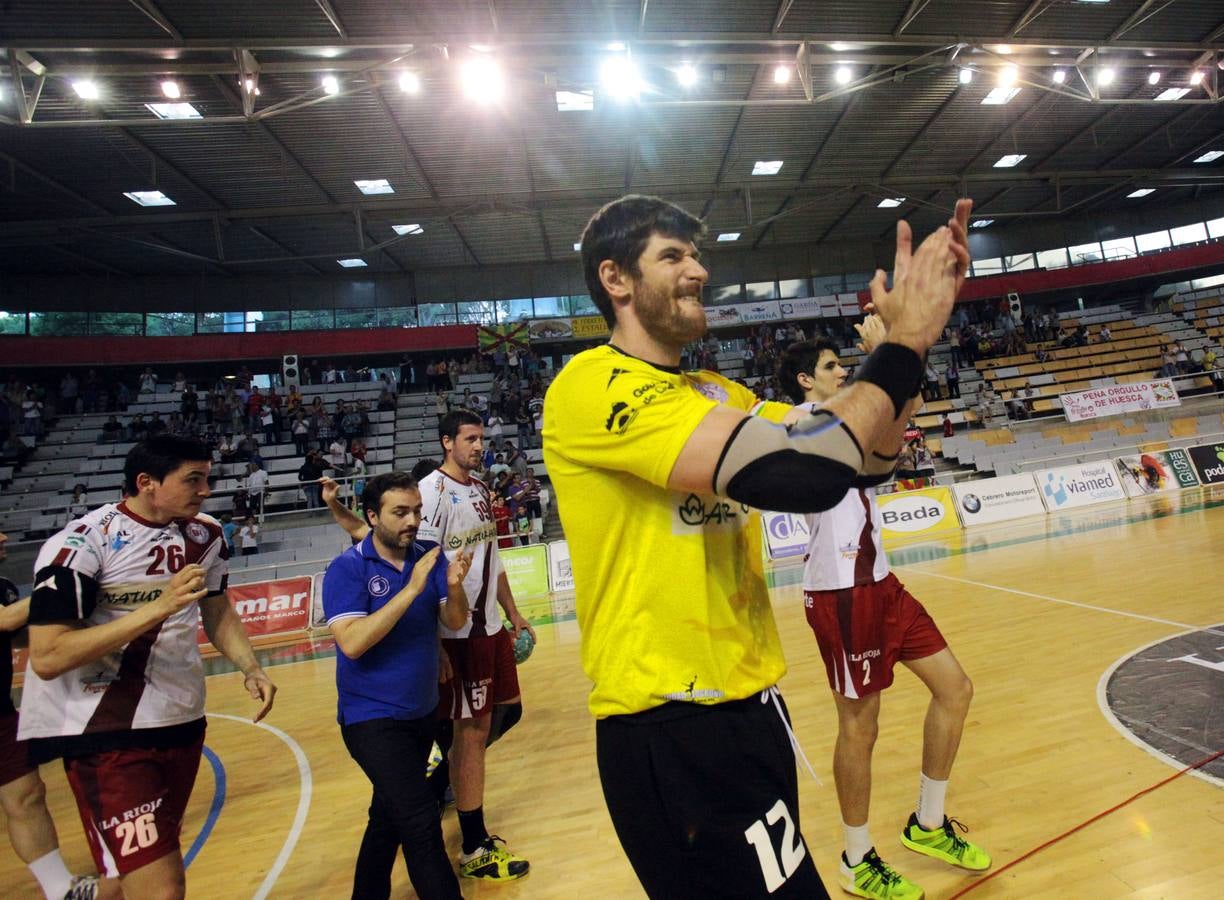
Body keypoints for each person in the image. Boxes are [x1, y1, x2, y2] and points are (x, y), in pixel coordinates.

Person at [542, 193, 971, 898]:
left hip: (750, 708)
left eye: (697, 255)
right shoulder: (592, 386)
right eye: (673, 256)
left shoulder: (713, 391)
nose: (699, 271)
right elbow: (802, 474)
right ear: (615, 279)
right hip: (670, 725)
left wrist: (907, 353)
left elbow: (866, 458)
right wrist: (903, 348)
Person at [18, 435, 277, 899]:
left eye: (207, 478)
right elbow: (48, 655)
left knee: (127, 879)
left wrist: (250, 667)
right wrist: (155, 608)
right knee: (162, 887)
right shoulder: (80, 544)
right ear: (147, 483)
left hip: (180, 722)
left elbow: (216, 610)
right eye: (192, 480)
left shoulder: (206, 535)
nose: (205, 490)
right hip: (107, 733)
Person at [778, 330, 988, 900]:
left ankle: (928, 823)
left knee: (956, 689)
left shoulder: (849, 416)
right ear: (805, 380)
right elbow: (880, 414)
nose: (843, 372)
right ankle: (856, 859)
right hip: (842, 593)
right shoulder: (804, 419)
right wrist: (890, 351)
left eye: (846, 365)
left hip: (882, 583)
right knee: (860, 726)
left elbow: (899, 417)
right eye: (831, 365)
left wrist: (909, 351)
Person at [321, 412, 534, 883]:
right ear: (446, 442)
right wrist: (436, 641)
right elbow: (416, 560)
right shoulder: (432, 495)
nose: (480, 445)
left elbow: (489, 559)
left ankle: (433, 785)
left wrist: (512, 611)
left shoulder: (479, 490)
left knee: (504, 714)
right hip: (456, 636)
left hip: (486, 625)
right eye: (471, 438)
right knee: (469, 734)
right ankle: (472, 841)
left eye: (482, 437)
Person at [322, 473, 471, 900]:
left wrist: (455, 589)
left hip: (422, 714)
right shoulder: (348, 568)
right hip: (371, 721)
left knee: (386, 816)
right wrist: (412, 588)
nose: (413, 521)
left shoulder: (429, 556)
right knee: (421, 821)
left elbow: (454, 620)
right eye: (400, 513)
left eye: (417, 512)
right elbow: (352, 642)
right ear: (372, 517)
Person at [1, 531, 110, 900]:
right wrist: (74, 585)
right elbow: (2, 621)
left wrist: (64, 621)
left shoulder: (2, 585)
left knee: (27, 794)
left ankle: (59, 888)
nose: (3, 537)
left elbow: (13, 635)